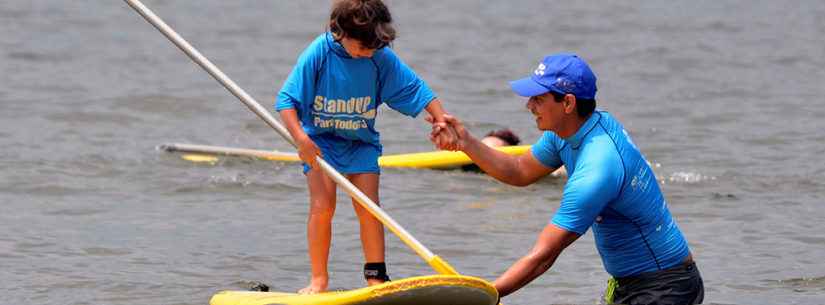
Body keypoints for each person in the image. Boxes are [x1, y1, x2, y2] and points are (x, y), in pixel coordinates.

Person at [431, 53, 703, 304]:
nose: (529, 105)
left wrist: (484, 295)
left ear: (568, 103)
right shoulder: (566, 132)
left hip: (666, 287)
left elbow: (543, 257)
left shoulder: (598, 167)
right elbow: (519, 170)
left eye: (538, 98)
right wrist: (466, 142)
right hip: (631, 284)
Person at [275, 0, 451, 294]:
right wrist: (301, 140)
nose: (369, 52)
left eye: (375, 47)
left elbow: (415, 89)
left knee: (370, 208)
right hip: (320, 143)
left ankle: (376, 277)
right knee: (323, 206)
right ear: (340, 31)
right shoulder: (319, 52)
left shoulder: (379, 56)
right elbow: (286, 102)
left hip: (361, 143)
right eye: (363, 46)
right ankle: (319, 279)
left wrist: (440, 119)